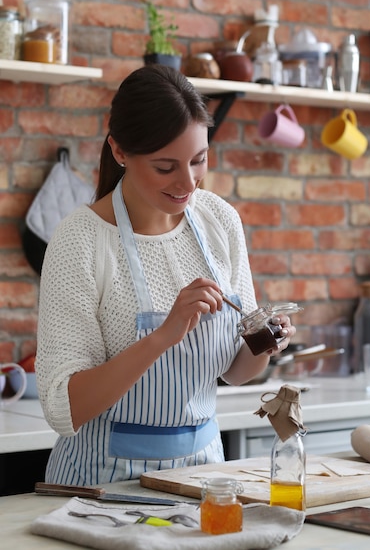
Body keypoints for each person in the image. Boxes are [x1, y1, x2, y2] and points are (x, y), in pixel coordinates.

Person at [36, 65, 296, 486]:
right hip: (101, 485)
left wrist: (267, 342)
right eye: (165, 167)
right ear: (120, 151)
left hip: (204, 477)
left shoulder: (220, 221)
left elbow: (234, 371)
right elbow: (63, 408)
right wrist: (163, 336)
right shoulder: (80, 239)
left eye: (199, 160)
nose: (188, 181)